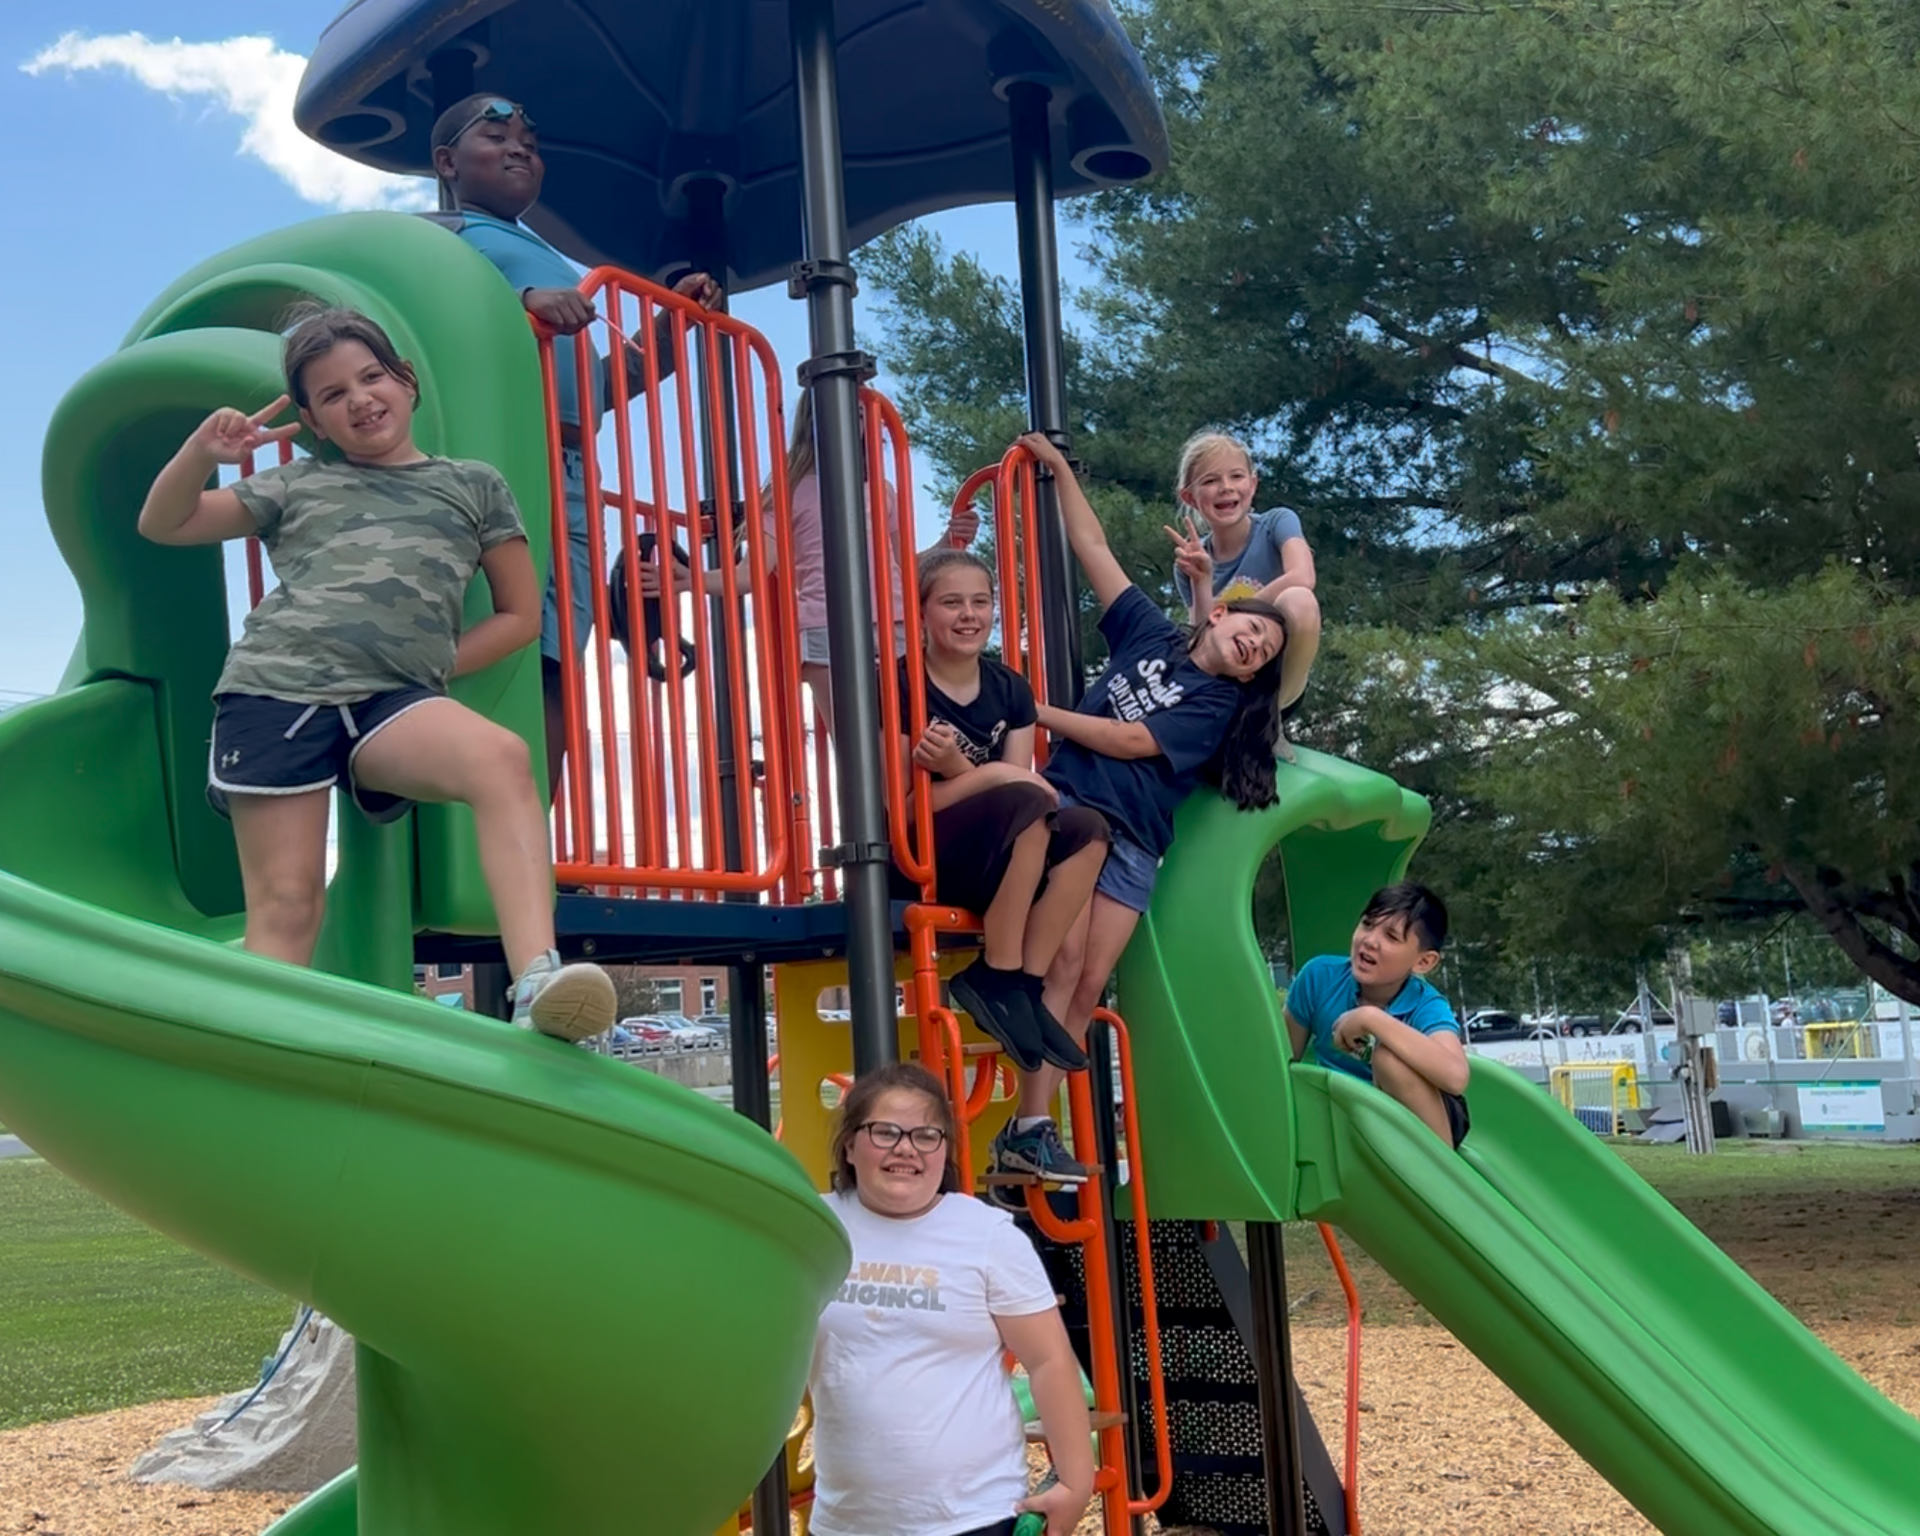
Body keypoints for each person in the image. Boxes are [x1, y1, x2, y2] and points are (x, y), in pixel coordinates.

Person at [137, 305, 616, 1042]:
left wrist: (430, 662)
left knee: (501, 758)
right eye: (332, 395)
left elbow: (520, 615)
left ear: (407, 381)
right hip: (276, 693)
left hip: (393, 701)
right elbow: (163, 524)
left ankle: (538, 980)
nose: (359, 398)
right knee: (290, 907)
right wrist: (202, 452)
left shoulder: (473, 485)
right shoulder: (295, 485)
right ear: (314, 421)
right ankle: (259, 1050)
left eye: (371, 376)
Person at [988, 433, 1292, 1189]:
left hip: (1133, 844)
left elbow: (1130, 739)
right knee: (1058, 962)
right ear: (1220, 615)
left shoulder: (1219, 705)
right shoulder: (1151, 633)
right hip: (1073, 815)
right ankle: (1029, 1119)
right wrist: (1060, 472)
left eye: (1265, 648)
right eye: (1250, 626)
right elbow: (1092, 548)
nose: (1254, 643)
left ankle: (1027, 1132)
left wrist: (1038, 710)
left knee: (1089, 984)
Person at [427, 93, 725, 794]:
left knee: (554, 655)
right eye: (495, 134)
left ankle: (536, 842)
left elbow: (594, 388)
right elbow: (423, 320)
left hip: (569, 468)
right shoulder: (440, 237)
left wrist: (666, 332)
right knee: (493, 639)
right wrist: (520, 305)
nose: (519, 146)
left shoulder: (546, 254)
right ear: (447, 162)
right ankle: (456, 846)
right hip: (497, 461)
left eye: (529, 137)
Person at [811, 1062, 1094, 1536]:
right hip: (846, 1522)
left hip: (973, 1517)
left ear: (945, 1151)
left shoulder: (985, 1236)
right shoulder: (814, 1229)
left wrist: (1076, 1481)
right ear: (850, 1145)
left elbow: (1049, 1361)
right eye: (885, 1132)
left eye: (926, 1136)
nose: (906, 1148)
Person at [653, 386, 978, 735]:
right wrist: (690, 579)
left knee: (908, 737)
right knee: (856, 742)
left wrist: (948, 541)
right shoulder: (789, 490)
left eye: (855, 415)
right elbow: (750, 574)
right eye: (833, 411)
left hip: (892, 622)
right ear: (812, 422)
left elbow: (904, 567)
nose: (846, 423)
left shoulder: (881, 490)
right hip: (826, 624)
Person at [900, 549, 1109, 1075]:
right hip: (928, 854)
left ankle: (1023, 987)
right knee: (1032, 804)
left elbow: (1022, 787)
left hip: (1009, 852)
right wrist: (982, 775)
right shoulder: (902, 685)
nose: (968, 614)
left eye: (980, 601)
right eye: (951, 602)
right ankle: (997, 972)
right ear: (922, 612)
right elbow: (901, 809)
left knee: (1091, 831)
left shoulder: (1010, 689)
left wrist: (958, 767)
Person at [1163, 428, 1321, 758]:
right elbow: (1202, 639)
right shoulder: (1191, 562)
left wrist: (1235, 614)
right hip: (1228, 685)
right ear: (1190, 497)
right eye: (1210, 481)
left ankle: (1268, 721)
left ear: (1253, 484)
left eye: (1236, 476)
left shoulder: (1277, 522)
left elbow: (1303, 576)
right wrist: (1202, 578)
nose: (1226, 487)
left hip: (1275, 680)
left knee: (1298, 600)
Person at [1282, 883, 1470, 1148]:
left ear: (1423, 962)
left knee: (1388, 1059)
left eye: (1391, 937)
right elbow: (1282, 1059)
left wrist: (1372, 1019)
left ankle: (1440, 1173)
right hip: (1341, 1118)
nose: (1370, 941)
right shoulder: (1319, 978)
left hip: (1422, 1121)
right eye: (1367, 925)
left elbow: (1455, 1076)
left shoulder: (1425, 1004)